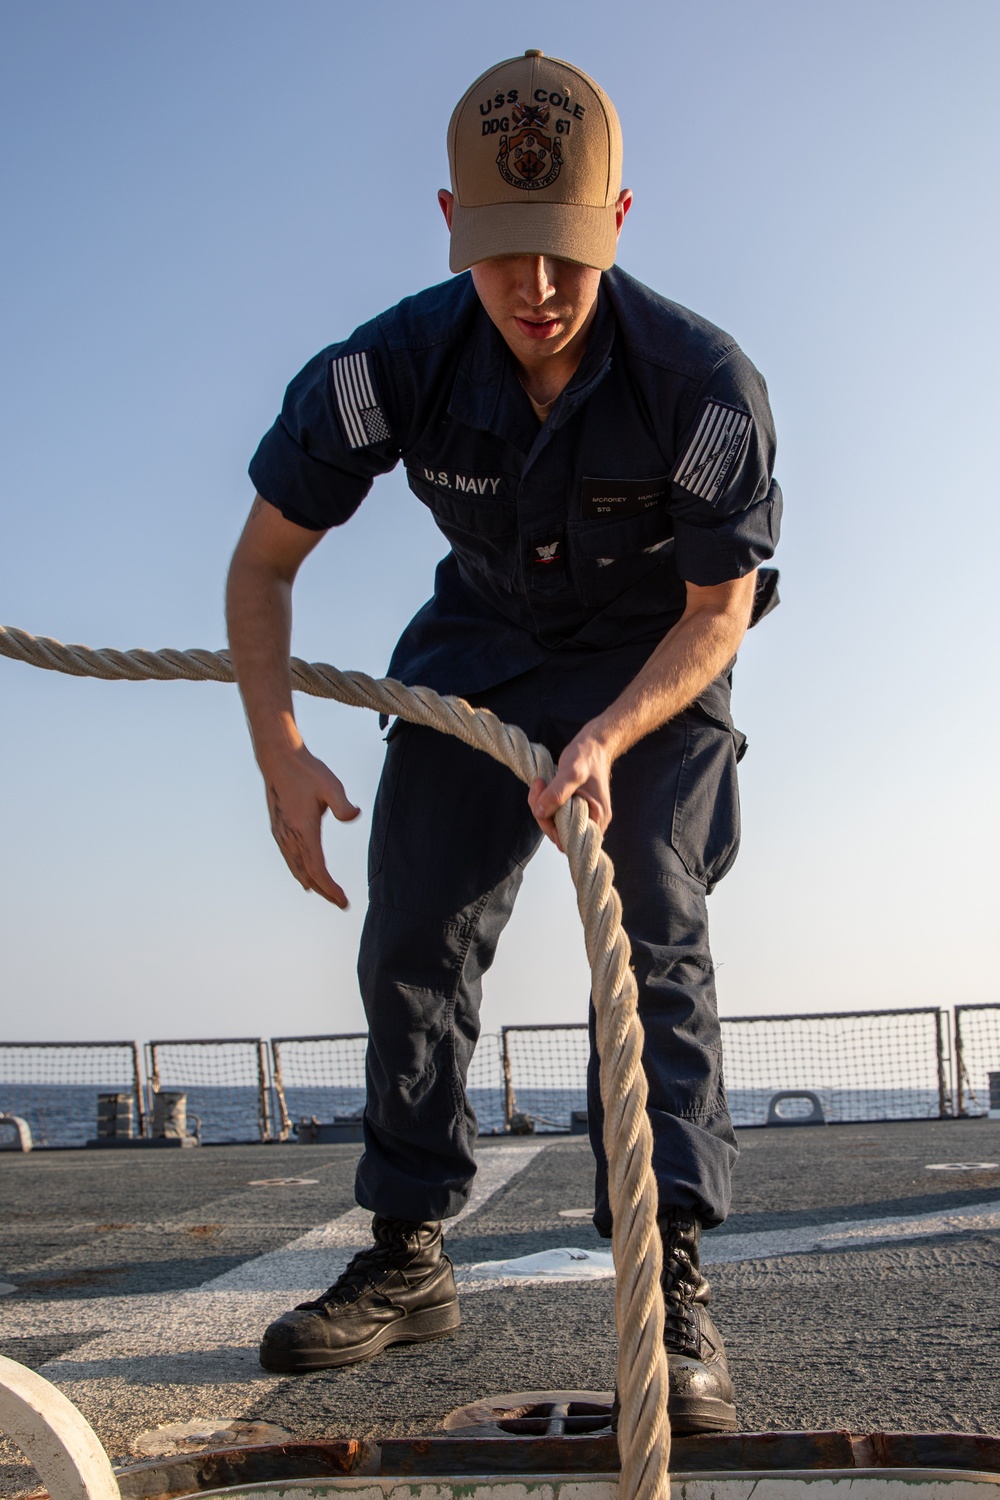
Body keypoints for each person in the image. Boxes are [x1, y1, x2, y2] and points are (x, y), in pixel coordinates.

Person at [226, 50, 781, 1435]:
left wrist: (606, 732)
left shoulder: (705, 388)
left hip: (649, 665)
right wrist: (279, 750)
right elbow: (262, 568)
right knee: (411, 928)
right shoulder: (386, 366)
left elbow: (721, 613)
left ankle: (672, 1284)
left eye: (565, 258)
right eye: (500, 257)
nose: (535, 290)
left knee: (651, 912)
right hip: (477, 645)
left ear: (619, 222)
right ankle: (409, 1253)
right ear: (448, 225)